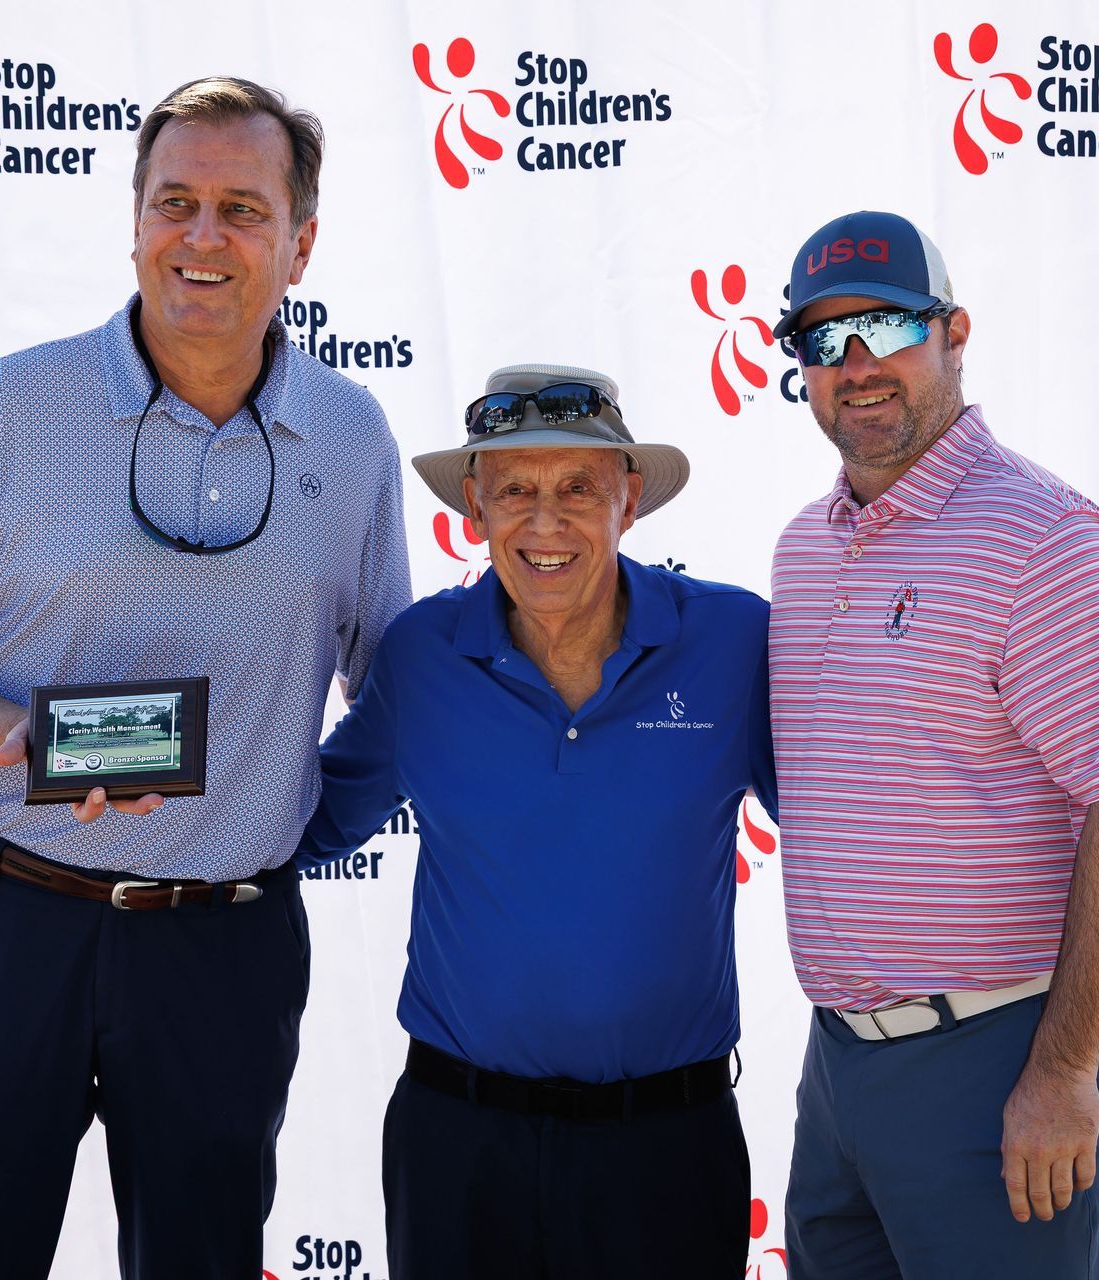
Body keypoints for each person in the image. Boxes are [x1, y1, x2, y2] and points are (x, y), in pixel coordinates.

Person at [0, 76, 411, 1280]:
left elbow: (394, 690)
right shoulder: (2, 411)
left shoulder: (353, 436)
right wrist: (18, 736)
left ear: (301, 244)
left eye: (243, 209)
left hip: (223, 947)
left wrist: (282, 822)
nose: (203, 235)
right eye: (175, 202)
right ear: (136, 221)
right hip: (0, 923)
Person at [767, 210, 1099, 1278]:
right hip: (844, 1066)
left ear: (953, 332)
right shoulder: (804, 549)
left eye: (885, 326)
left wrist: (1064, 1068)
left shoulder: (1040, 536)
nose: (856, 364)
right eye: (822, 340)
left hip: (1010, 1055)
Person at [299, 364, 776, 1278]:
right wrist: (140, 786)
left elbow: (844, 823)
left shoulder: (733, 641)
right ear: (475, 507)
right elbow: (305, 823)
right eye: (515, 490)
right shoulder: (423, 653)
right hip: (459, 1143)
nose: (544, 523)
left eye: (577, 489)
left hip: (667, 1146)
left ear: (628, 501)